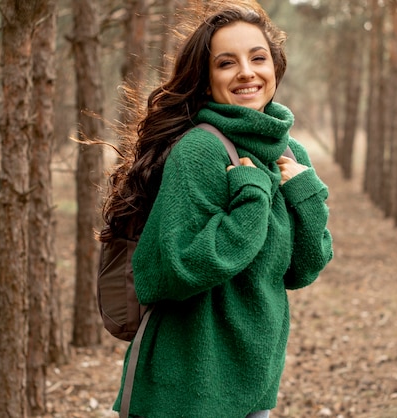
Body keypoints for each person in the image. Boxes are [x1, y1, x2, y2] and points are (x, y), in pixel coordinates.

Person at [100, 2, 333, 417]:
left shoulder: (289, 153)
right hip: (186, 389)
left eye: (258, 57)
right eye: (227, 63)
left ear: (275, 67)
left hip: (253, 383)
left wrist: (306, 194)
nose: (247, 71)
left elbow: (303, 269)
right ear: (206, 80)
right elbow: (174, 269)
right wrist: (251, 199)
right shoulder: (201, 149)